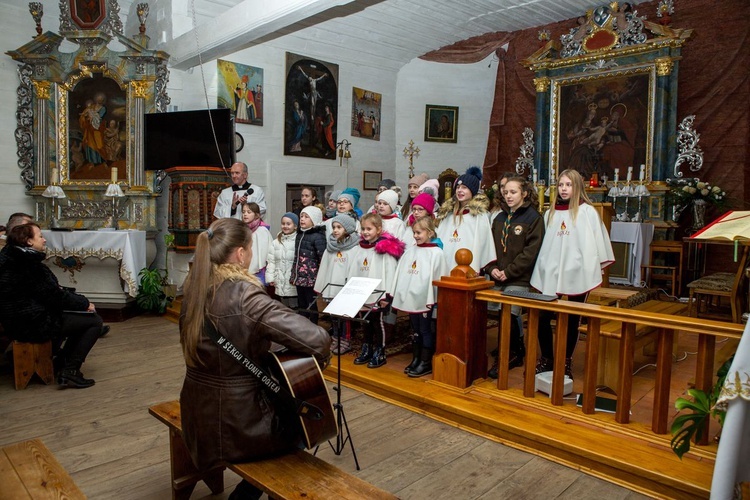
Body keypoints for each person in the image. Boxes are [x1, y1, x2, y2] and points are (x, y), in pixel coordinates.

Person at [179, 218, 330, 500]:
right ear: (240, 254)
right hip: (240, 427)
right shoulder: (245, 294)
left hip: (197, 415)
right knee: (302, 428)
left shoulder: (194, 285)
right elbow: (317, 340)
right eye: (250, 249)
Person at [530, 169, 614, 378]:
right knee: (543, 315)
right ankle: (548, 358)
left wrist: (591, 267)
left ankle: (565, 361)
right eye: (560, 185)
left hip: (578, 272)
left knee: (573, 318)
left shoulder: (587, 212)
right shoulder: (550, 213)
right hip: (552, 271)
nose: (564, 189)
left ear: (577, 187)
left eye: (568, 185)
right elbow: (546, 245)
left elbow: (595, 242)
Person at [0, 223, 103, 388]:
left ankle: (61, 362)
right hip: (32, 323)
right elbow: (54, 296)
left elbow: (45, 292)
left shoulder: (11, 257)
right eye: (40, 236)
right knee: (94, 321)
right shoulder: (27, 264)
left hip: (17, 319)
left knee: (77, 317)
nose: (44, 240)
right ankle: (70, 370)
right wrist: (84, 303)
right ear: (28, 241)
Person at [484, 176, 544, 378]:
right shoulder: (499, 218)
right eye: (506, 192)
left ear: (525, 193)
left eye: (513, 192)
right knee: (486, 308)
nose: (508, 196)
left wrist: (508, 272)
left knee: (509, 313)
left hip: (518, 278)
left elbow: (530, 252)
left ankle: (506, 357)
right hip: (496, 276)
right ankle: (516, 351)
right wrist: (491, 267)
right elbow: (488, 246)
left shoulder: (533, 218)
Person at [389, 216, 448, 377]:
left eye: (419, 232)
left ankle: (426, 361)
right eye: (414, 232)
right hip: (411, 297)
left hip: (425, 298)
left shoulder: (436, 253)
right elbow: (403, 272)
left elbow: (439, 277)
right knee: (415, 329)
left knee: (425, 329)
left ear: (430, 233)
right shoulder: (411, 250)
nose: (415, 236)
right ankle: (416, 358)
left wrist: (431, 297)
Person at [350, 213, 405, 368]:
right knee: (365, 323)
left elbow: (390, 273)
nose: (365, 232)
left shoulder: (384, 249)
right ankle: (367, 348)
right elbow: (354, 270)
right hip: (362, 294)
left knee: (377, 323)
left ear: (379, 230)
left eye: (369, 229)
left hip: (378, 294)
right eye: (363, 229)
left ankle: (380, 351)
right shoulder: (359, 248)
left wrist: (386, 296)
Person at [435, 166, 496, 273]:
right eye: (458, 187)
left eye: (464, 187)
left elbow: (483, 244)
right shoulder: (448, 214)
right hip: (446, 265)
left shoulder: (479, 216)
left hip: (468, 266)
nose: (460, 190)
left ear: (472, 190)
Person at [314, 213, 359, 354]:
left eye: (339, 227)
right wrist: (320, 286)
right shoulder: (331, 246)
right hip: (331, 286)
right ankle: (336, 338)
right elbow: (325, 267)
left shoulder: (354, 248)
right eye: (334, 227)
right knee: (333, 315)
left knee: (344, 316)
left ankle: (345, 340)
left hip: (345, 288)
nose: (335, 230)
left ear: (348, 228)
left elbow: (354, 268)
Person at [290, 206, 326, 325]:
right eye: (301, 216)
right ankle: (302, 325)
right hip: (299, 276)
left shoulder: (318, 236)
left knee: (311, 303)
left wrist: (320, 277)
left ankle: (313, 325)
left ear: (314, 220)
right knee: (302, 303)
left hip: (311, 277)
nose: (302, 219)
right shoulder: (299, 235)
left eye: (306, 217)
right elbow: (296, 257)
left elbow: (322, 258)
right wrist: (294, 274)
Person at [266, 212, 299, 309]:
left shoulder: (298, 241)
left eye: (288, 224)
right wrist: (270, 278)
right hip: (280, 281)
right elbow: (271, 261)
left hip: (292, 282)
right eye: (283, 223)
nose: (285, 226)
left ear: (295, 226)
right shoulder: (275, 242)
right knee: (284, 308)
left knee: (294, 308)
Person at [241, 202, 272, 285]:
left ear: (257, 215)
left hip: (260, 272)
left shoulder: (262, 231)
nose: (245, 214)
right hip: (244, 270)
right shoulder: (242, 230)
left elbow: (268, 254)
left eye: (249, 212)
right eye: (243, 212)